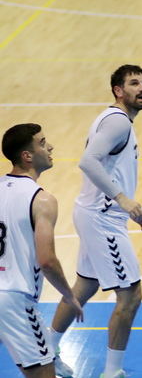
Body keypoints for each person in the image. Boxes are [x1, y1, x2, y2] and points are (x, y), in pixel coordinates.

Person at [48, 65, 142, 378]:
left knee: (85, 285)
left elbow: (108, 168)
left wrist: (131, 210)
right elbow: (87, 162)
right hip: (102, 219)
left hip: (95, 213)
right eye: (134, 83)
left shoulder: (112, 119)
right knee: (131, 295)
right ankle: (113, 372)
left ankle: (46, 349)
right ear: (118, 90)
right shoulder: (118, 122)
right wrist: (122, 200)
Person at [0, 123, 84, 378]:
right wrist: (69, 296)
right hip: (14, 299)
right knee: (45, 373)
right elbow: (46, 260)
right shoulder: (42, 199)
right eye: (42, 142)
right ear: (27, 156)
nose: (50, 147)